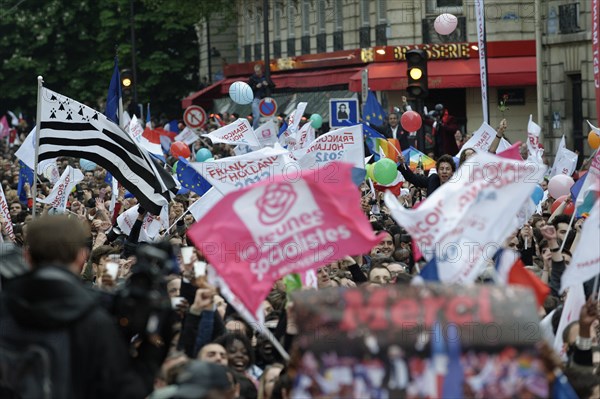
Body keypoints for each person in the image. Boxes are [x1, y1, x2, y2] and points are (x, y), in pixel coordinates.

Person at [0, 216, 169, 399]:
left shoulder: (5, 310)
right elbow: (124, 391)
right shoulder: (95, 320)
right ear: (82, 257)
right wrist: (151, 353)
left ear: (27, 256)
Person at [248, 64, 275, 129]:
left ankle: (269, 129)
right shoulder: (252, 78)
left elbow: (273, 86)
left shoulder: (266, 77)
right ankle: (256, 130)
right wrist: (256, 87)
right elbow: (248, 89)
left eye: (258, 71)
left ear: (261, 70)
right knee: (257, 116)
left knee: (269, 116)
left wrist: (267, 84)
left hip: (265, 99)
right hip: (256, 98)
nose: (257, 73)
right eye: (256, 71)